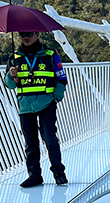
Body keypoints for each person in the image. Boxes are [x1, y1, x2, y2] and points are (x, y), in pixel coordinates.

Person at [5, 31, 68, 187]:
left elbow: (61, 78)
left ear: (38, 34)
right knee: (30, 143)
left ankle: (58, 172)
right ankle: (34, 176)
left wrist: (56, 97)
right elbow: (10, 85)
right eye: (22, 34)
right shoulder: (14, 58)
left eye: (30, 34)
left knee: (49, 138)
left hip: (47, 103)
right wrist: (11, 75)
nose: (26, 37)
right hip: (25, 106)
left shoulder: (50, 55)